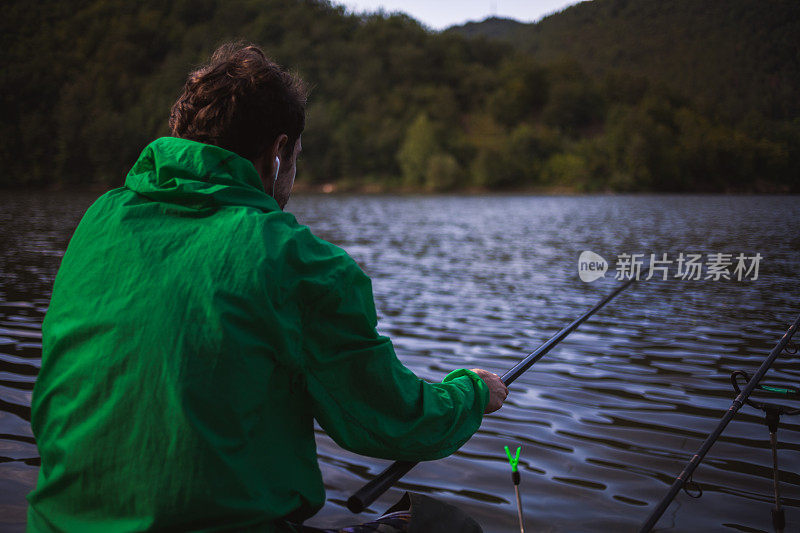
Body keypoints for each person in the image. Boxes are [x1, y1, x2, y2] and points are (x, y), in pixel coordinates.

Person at [27, 43, 508, 532]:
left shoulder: (99, 220)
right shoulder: (293, 259)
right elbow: (393, 419)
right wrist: (471, 393)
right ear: (278, 153)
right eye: (296, 157)